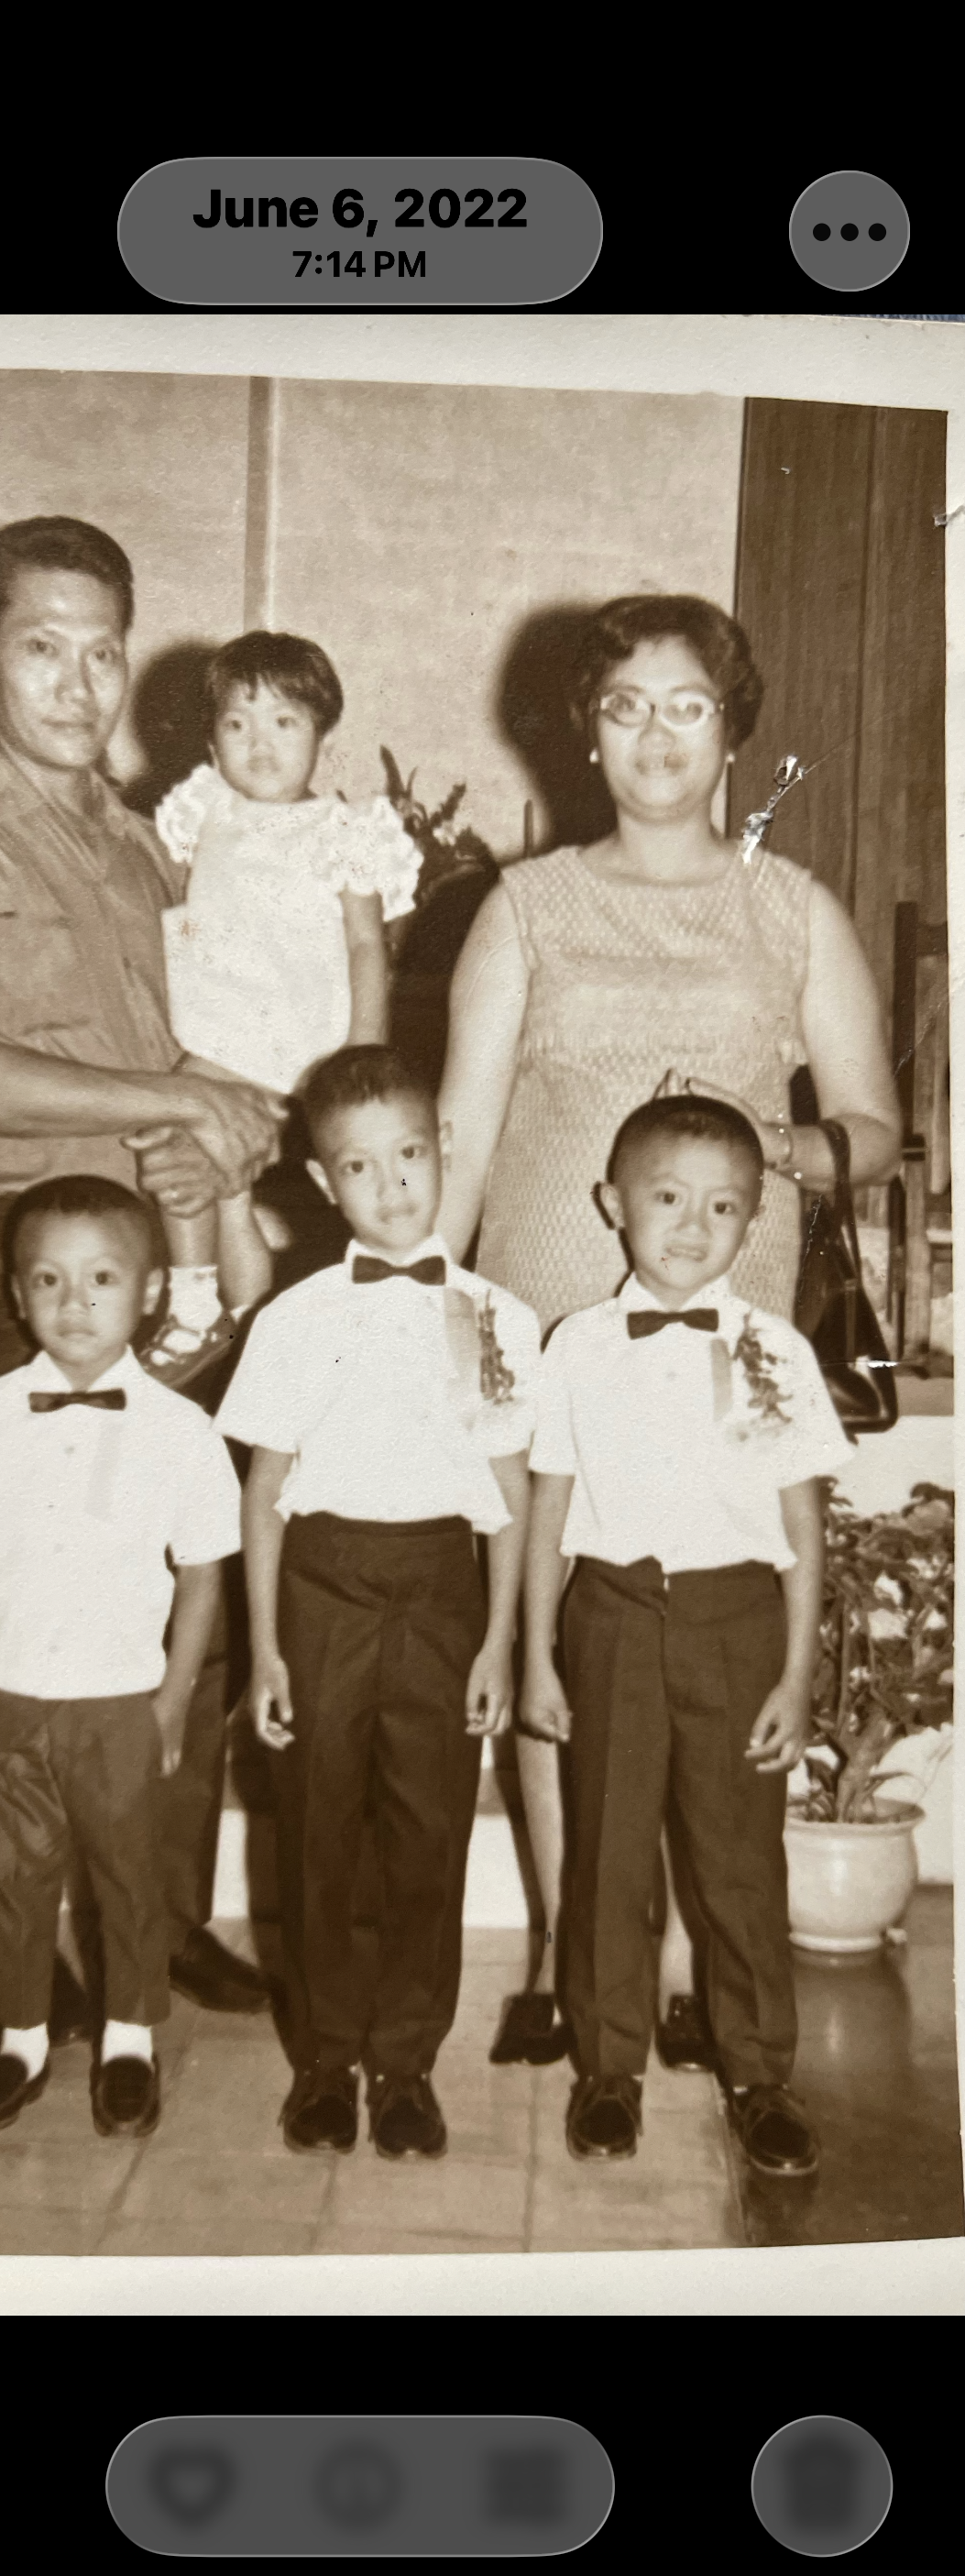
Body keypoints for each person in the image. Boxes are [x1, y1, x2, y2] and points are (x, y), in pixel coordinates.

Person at [437, 593, 902, 2068]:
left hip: (724, 1341)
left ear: (732, 729)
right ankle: (571, 1964)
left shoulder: (793, 908)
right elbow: (461, 1134)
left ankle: (693, 1974)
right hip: (541, 1324)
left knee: (706, 1648)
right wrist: (420, 1303)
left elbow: (878, 1128)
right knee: (562, 1639)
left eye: (687, 704)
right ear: (586, 731)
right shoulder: (524, 908)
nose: (655, 734)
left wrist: (775, 1150)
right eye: (625, 705)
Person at [0, 514, 281, 2020]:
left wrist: (227, 1143)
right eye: (45, 648)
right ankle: (24, 1950)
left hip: (172, 1249)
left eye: (106, 653)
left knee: (183, 1597)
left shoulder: (155, 844)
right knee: (27, 1614)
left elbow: (207, 1047)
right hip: (22, 1265)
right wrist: (176, 1101)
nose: (81, 684)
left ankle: (161, 1919)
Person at [215, 1045, 540, 2160]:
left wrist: (498, 1642)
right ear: (322, 1183)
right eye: (360, 1166)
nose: (392, 1185)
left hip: (444, 1590)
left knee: (428, 1832)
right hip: (322, 1586)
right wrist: (265, 1648)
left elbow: (509, 1493)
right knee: (316, 1829)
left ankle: (405, 2063)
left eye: (408, 1154)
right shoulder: (294, 1318)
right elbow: (263, 1492)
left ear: (443, 1148)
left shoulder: (497, 1318)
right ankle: (323, 2058)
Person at [521, 1095, 851, 2175]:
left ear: (754, 1220)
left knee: (739, 1863)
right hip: (610, 1617)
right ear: (612, 1203)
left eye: (723, 1206)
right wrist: (536, 1655)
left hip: (735, 1623)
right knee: (606, 1857)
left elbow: (802, 1525)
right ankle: (608, 2070)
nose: (694, 1227)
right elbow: (549, 1506)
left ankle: (759, 2077)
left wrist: (796, 1674)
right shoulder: (574, 1346)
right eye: (668, 1198)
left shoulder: (772, 1350)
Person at [0, 1177, 243, 2136]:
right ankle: (18, 2042)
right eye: (48, 1279)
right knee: (13, 1880)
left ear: (152, 1291)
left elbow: (205, 1577)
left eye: (102, 1278)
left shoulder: (182, 1432)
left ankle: (129, 2043)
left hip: (119, 1700)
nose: (75, 1302)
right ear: (16, 1295)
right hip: (3, 1695)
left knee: (130, 1876)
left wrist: (173, 1702)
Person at [148, 631, 422, 1380]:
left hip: (306, 1044)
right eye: (237, 724)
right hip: (220, 1035)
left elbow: (367, 945)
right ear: (212, 743)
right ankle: (204, 1305)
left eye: (284, 721)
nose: (259, 743)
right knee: (188, 1147)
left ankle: (265, 1321)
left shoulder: (344, 830)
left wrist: (363, 1051)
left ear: (322, 740)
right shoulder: (204, 811)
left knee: (270, 1165)